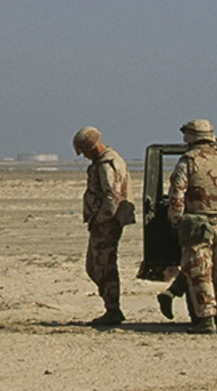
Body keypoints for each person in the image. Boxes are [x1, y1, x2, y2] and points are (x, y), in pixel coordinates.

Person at [167, 119, 217, 334]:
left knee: (200, 274)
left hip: (197, 226)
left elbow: (176, 195)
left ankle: (206, 320)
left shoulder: (188, 162)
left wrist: (177, 221)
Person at [73, 126, 133, 327]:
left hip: (107, 223)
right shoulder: (105, 161)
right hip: (103, 222)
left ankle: (113, 309)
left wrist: (100, 218)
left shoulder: (107, 164)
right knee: (94, 266)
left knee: (104, 266)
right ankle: (111, 306)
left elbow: (112, 197)